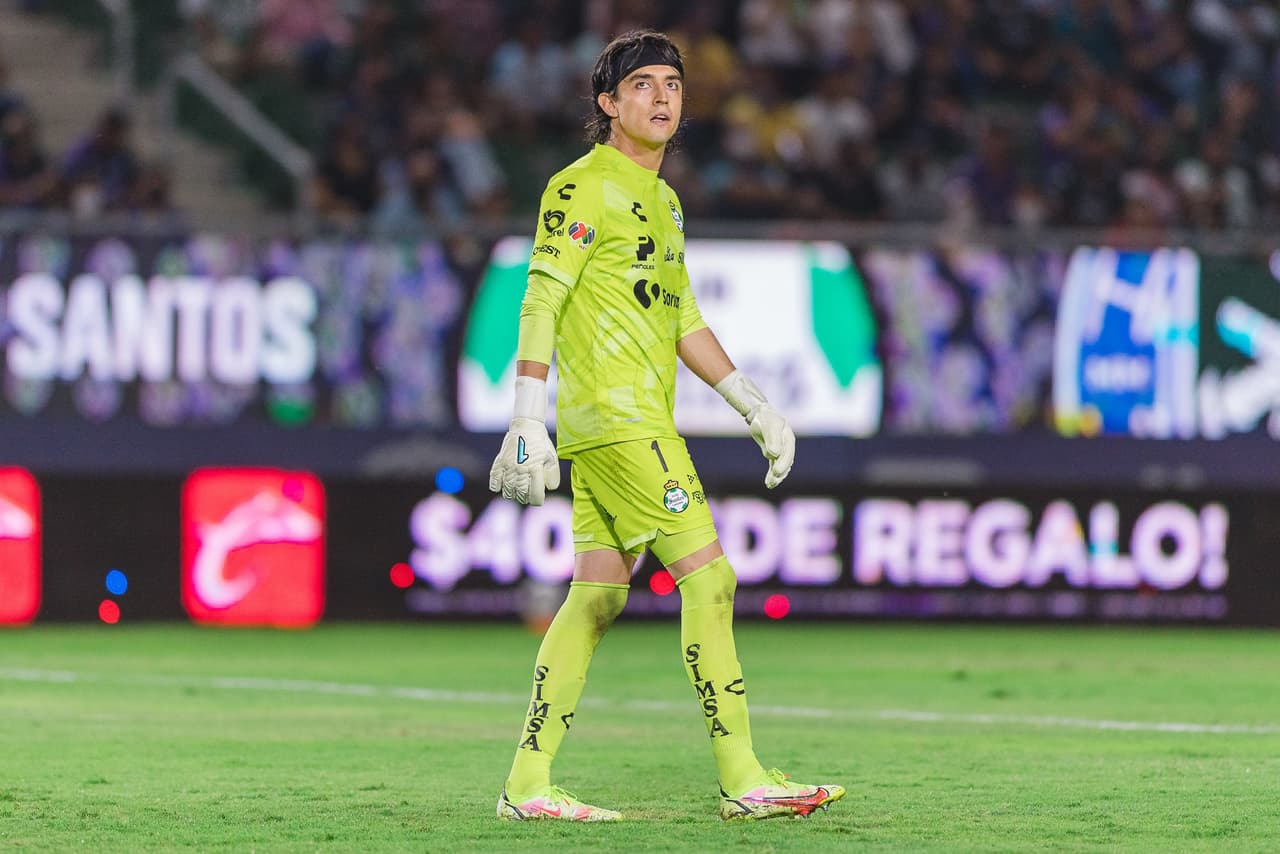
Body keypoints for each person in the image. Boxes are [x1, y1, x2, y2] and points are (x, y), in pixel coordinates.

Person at [488, 29, 846, 823]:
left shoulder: (666, 201)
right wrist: (524, 418)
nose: (661, 97)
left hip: (634, 421)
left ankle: (527, 785)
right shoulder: (581, 187)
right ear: (608, 104)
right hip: (617, 423)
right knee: (711, 579)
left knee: (596, 597)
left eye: (672, 85)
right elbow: (541, 298)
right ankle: (744, 777)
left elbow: (682, 317)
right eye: (642, 84)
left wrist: (753, 405)